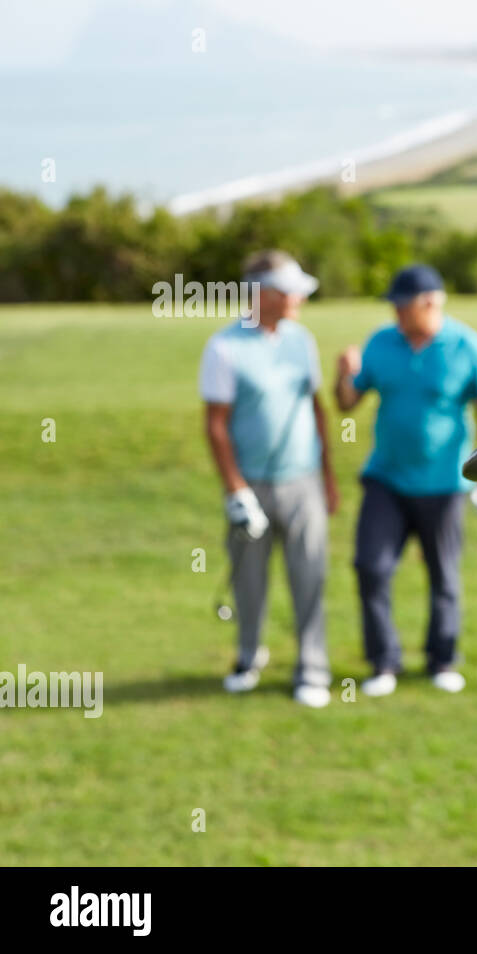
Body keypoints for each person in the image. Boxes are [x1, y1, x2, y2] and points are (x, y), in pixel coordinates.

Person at [335, 265, 477, 697]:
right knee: (370, 567)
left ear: (430, 302)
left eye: (402, 305)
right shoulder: (381, 342)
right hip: (386, 479)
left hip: (445, 483)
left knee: (444, 576)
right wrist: (343, 374)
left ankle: (441, 660)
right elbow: (347, 403)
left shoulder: (468, 346)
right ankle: (383, 663)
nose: (395, 312)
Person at [199, 249, 337, 709]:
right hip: (252, 484)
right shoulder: (224, 347)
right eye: (291, 291)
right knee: (249, 581)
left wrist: (328, 477)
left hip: (303, 481)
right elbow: (216, 425)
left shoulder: (302, 340)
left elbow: (316, 408)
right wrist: (236, 491)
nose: (300, 299)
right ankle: (247, 657)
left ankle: (312, 670)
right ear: (264, 294)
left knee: (310, 576)